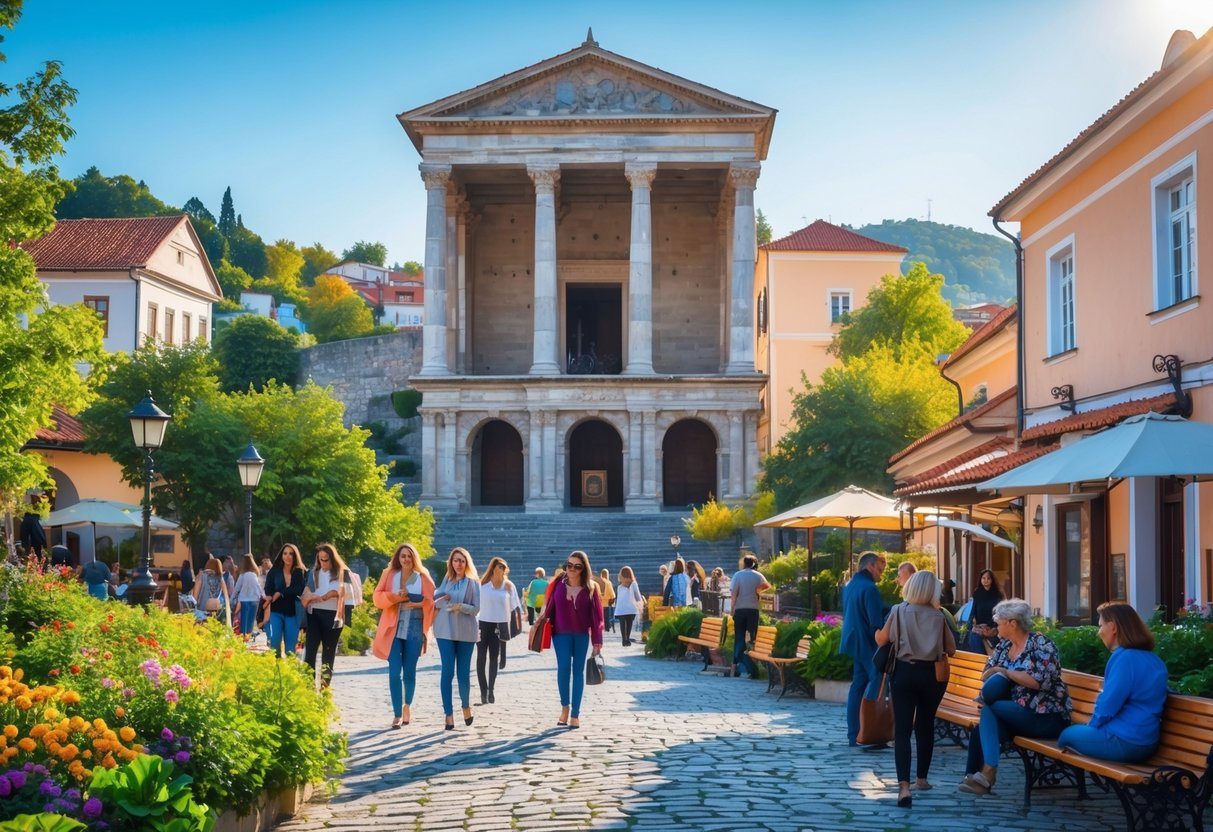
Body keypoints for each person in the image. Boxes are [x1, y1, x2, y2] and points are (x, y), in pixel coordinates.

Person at [959, 599, 1072, 795]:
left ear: (1012, 623)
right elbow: (987, 674)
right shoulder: (1004, 647)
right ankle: (976, 777)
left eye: (998, 622)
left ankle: (988, 774)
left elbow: (1039, 682)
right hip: (1015, 712)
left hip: (1045, 715)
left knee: (989, 710)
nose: (995, 626)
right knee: (984, 723)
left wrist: (1005, 672)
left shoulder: (1041, 645)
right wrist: (996, 674)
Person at [876, 571, 957, 808]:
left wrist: (876, 633)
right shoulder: (939, 615)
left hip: (904, 672)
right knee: (925, 725)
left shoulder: (898, 610)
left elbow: (882, 640)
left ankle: (904, 787)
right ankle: (922, 779)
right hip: (932, 676)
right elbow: (951, 649)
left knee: (902, 730)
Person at [1056, 602, 1167, 762]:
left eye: (1101, 626)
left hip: (1124, 741)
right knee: (1076, 733)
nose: (1099, 632)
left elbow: (1109, 703)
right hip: (1148, 742)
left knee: (1066, 735)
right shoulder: (1154, 659)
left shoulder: (1124, 657)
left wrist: (1092, 728)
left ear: (1113, 627)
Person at [536, 550, 603, 729]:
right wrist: (540, 622)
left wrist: (597, 642)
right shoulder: (558, 584)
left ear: (584, 569)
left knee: (578, 672)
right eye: (569, 565)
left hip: (581, 635)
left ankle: (575, 714)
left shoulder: (591, 588)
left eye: (577, 566)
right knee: (564, 668)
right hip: (561, 633)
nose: (572, 569)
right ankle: (564, 707)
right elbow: (549, 606)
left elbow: (597, 617)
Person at [373, 543, 435, 729]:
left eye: (409, 556)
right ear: (398, 558)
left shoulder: (422, 576)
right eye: (403, 556)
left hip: (414, 627)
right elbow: (377, 597)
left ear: (414, 558)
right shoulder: (390, 574)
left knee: (409, 671)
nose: (406, 559)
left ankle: (407, 706)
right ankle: (397, 714)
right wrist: (395, 596)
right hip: (393, 628)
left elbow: (431, 601)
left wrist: (414, 602)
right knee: (394, 672)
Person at [841, 551, 887, 748]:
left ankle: (854, 734)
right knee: (876, 682)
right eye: (880, 570)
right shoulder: (870, 588)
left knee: (858, 685)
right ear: (870, 566)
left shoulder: (850, 585)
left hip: (852, 640)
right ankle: (870, 731)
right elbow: (875, 624)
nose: (881, 575)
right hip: (867, 642)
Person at [433, 547, 480, 730]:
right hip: (444, 630)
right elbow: (436, 600)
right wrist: (439, 598)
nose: (458, 564)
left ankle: (466, 706)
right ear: (451, 563)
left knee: (463, 674)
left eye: (461, 560)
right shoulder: (447, 580)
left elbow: (476, 609)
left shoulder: (472, 583)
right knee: (447, 672)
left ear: (466, 563)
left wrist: (461, 607)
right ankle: (448, 714)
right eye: (455, 560)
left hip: (466, 633)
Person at [303, 543, 348, 689]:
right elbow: (306, 592)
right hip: (314, 614)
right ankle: (309, 689)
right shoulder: (313, 573)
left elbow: (341, 592)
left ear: (332, 559)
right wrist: (309, 597)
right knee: (310, 653)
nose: (323, 562)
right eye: (320, 559)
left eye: (326, 559)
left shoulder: (341, 572)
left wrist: (326, 596)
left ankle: (324, 689)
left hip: (332, 616)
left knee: (328, 654)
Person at [476, 556, 514, 704]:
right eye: (500, 566)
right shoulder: (483, 585)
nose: (502, 569)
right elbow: (476, 604)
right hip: (482, 624)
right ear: (493, 568)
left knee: (494, 658)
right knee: (481, 657)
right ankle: (483, 691)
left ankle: (491, 690)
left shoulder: (508, 586)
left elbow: (513, 607)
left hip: (498, 625)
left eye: (504, 567)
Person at [730, 554, 771, 679]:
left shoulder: (738, 575)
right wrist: (758, 590)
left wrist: (732, 609)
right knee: (751, 639)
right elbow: (768, 586)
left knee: (739, 638)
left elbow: (733, 594)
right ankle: (752, 668)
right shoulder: (758, 575)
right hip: (753, 610)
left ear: (744, 563)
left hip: (740, 610)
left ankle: (734, 667)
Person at [263, 544, 307, 658]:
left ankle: (289, 668)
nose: (288, 556)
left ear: (295, 556)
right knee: (275, 642)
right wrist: (269, 595)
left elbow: (299, 589)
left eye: (291, 554)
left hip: (293, 612)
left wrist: (281, 592)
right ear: (281, 555)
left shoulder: (299, 572)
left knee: (290, 649)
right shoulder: (274, 571)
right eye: (285, 553)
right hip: (276, 611)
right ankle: (276, 666)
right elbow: (268, 587)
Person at [966, 570, 1004, 653]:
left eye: (988, 578)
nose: (985, 580)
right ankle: (980, 659)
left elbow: (1000, 612)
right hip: (980, 626)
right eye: (983, 578)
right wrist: (972, 624)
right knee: (974, 637)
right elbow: (973, 610)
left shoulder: (997, 594)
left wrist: (992, 627)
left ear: (992, 580)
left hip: (994, 626)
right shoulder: (977, 593)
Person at [233, 555, 264, 636]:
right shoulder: (255, 574)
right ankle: (249, 634)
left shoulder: (242, 575)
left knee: (244, 618)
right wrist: (264, 595)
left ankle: (243, 634)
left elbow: (237, 588)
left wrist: (231, 598)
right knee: (251, 619)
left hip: (244, 599)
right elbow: (259, 586)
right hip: (255, 599)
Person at [194, 557, 231, 624]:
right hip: (215, 612)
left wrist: (193, 608)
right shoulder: (220, 578)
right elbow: (226, 596)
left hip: (201, 612)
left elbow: (195, 596)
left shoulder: (201, 575)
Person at [614, 567, 643, 646]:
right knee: (629, 623)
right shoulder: (634, 584)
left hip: (621, 609)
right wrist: (640, 604)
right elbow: (638, 596)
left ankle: (624, 639)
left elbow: (619, 599)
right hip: (631, 608)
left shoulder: (620, 587)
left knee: (622, 624)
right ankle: (627, 639)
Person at [500, 570, 522, 670]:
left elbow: (514, 601)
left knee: (501, 638)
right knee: (502, 639)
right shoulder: (509, 584)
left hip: (502, 615)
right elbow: (515, 602)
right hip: (504, 615)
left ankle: (501, 660)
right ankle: (502, 660)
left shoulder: (508, 584)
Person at [598, 568, 616, 632]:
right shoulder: (608, 582)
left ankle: (600, 628)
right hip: (606, 603)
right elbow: (612, 594)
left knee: (600, 617)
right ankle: (607, 628)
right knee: (606, 617)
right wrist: (613, 598)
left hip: (599, 603)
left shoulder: (598, 582)